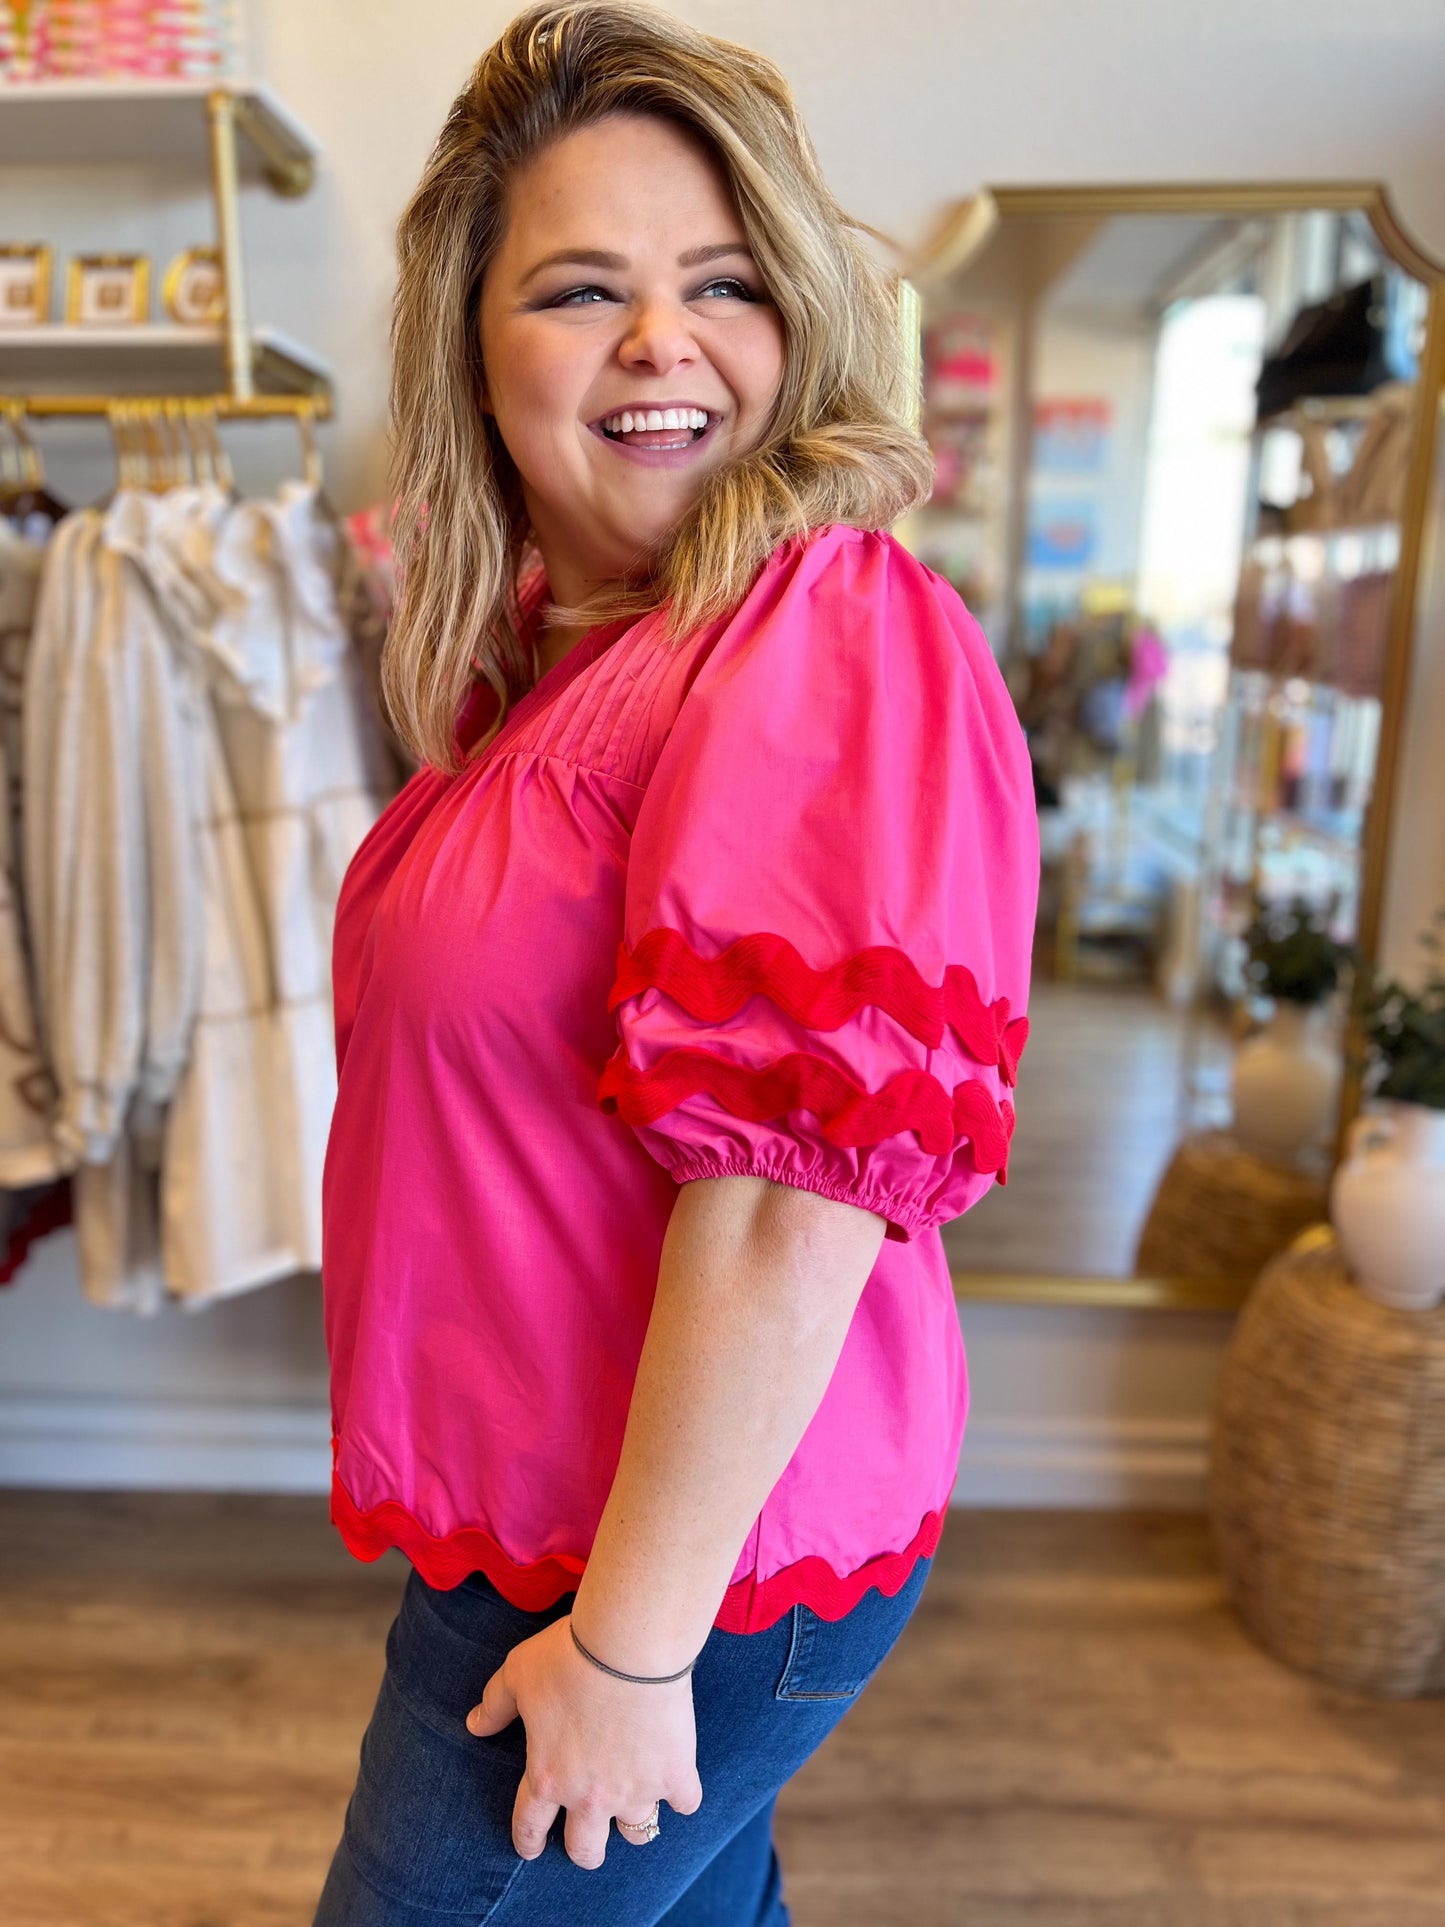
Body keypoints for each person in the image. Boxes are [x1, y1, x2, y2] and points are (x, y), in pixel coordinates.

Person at [312, 4, 1039, 1921]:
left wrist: (629, 1651)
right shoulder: (565, 660)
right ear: (475, 359)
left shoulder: (819, 626)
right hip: (572, 1539)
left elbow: (798, 1201)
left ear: (795, 322)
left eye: (720, 281)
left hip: (659, 1577)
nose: (659, 340)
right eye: (577, 289)